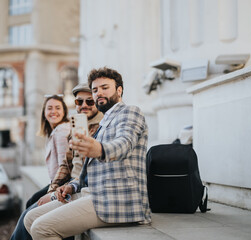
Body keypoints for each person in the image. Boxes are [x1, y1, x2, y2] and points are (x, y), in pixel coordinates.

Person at [24, 67, 151, 240]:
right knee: (30, 218)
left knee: (41, 228)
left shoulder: (130, 112)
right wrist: (72, 186)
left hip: (117, 200)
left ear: (119, 90)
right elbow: (88, 170)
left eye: (105, 88)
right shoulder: (104, 122)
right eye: (95, 90)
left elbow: (124, 144)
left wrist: (99, 149)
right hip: (93, 192)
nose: (99, 93)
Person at [10, 85, 103, 240]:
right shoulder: (75, 129)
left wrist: (53, 193)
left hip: (77, 188)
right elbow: (66, 165)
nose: (84, 105)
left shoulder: (97, 130)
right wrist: (53, 190)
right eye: (79, 102)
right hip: (69, 185)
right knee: (31, 208)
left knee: (30, 215)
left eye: (89, 102)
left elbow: (78, 171)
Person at [10, 94, 70, 240]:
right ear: (44, 112)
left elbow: (67, 166)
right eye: (49, 108)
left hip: (63, 184)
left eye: (57, 108)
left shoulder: (61, 131)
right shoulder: (53, 132)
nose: (53, 111)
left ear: (64, 112)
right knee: (31, 201)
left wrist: (53, 193)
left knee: (27, 215)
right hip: (54, 182)